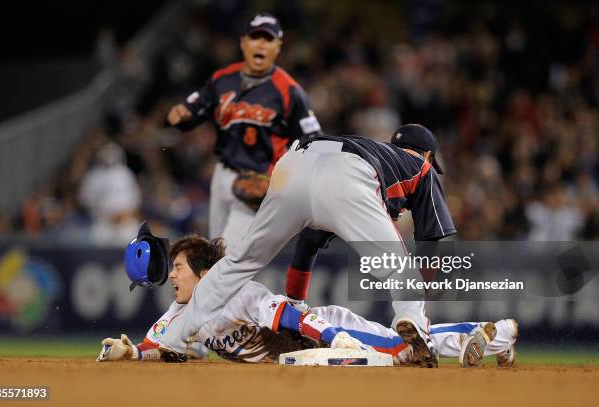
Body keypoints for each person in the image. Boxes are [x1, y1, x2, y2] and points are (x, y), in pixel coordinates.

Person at [159, 124, 457, 368]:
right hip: (348, 173)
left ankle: (174, 338)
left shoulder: (376, 148)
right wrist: (423, 287)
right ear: (428, 154)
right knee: (400, 273)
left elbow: (308, 244)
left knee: (239, 261)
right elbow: (432, 240)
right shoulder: (421, 166)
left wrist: (296, 303)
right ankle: (416, 330)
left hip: (296, 161)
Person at [97, 234, 518, 367]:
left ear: (205, 272)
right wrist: (128, 351)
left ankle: (498, 332)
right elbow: (155, 344)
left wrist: (334, 336)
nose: (172, 275)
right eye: (171, 268)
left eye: (179, 267)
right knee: (399, 353)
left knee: (399, 346)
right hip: (311, 354)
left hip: (322, 330)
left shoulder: (236, 290)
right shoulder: (179, 314)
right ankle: (482, 337)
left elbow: (285, 313)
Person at [166, 12, 322, 247]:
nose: (260, 44)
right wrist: (181, 116)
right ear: (243, 43)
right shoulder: (222, 79)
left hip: (260, 180)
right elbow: (192, 111)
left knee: (228, 257)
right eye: (255, 37)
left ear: (278, 47)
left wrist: (282, 175)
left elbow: (313, 141)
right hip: (222, 176)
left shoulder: (290, 90)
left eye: (268, 39)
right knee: (216, 255)